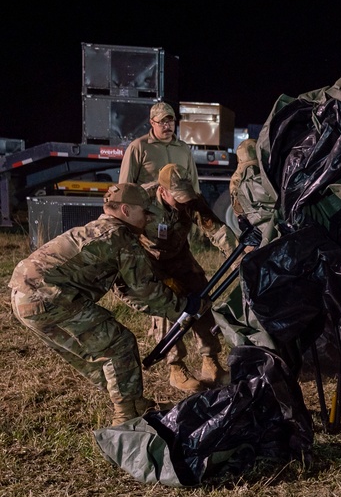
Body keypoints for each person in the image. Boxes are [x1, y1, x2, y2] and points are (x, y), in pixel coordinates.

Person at [9, 183, 198, 426]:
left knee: (95, 354)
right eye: (144, 211)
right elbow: (146, 290)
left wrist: (173, 307)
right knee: (118, 344)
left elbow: (125, 288)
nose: (148, 217)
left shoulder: (101, 230)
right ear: (126, 210)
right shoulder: (120, 238)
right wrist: (185, 307)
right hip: (50, 297)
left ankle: (133, 403)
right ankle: (126, 419)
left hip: (23, 296)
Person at [135, 163, 238, 392]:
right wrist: (152, 278)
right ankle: (176, 368)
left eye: (186, 197)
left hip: (181, 259)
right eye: (177, 197)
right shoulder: (141, 201)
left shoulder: (191, 201)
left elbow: (217, 230)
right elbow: (126, 238)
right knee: (165, 307)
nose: (183, 202)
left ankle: (210, 362)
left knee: (202, 300)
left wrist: (237, 259)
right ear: (163, 191)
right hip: (152, 264)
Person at [120, 102, 200, 193]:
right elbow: (125, 185)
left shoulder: (183, 148)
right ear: (152, 122)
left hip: (178, 206)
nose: (167, 126)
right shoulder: (139, 147)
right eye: (161, 122)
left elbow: (193, 182)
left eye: (170, 121)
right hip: (150, 205)